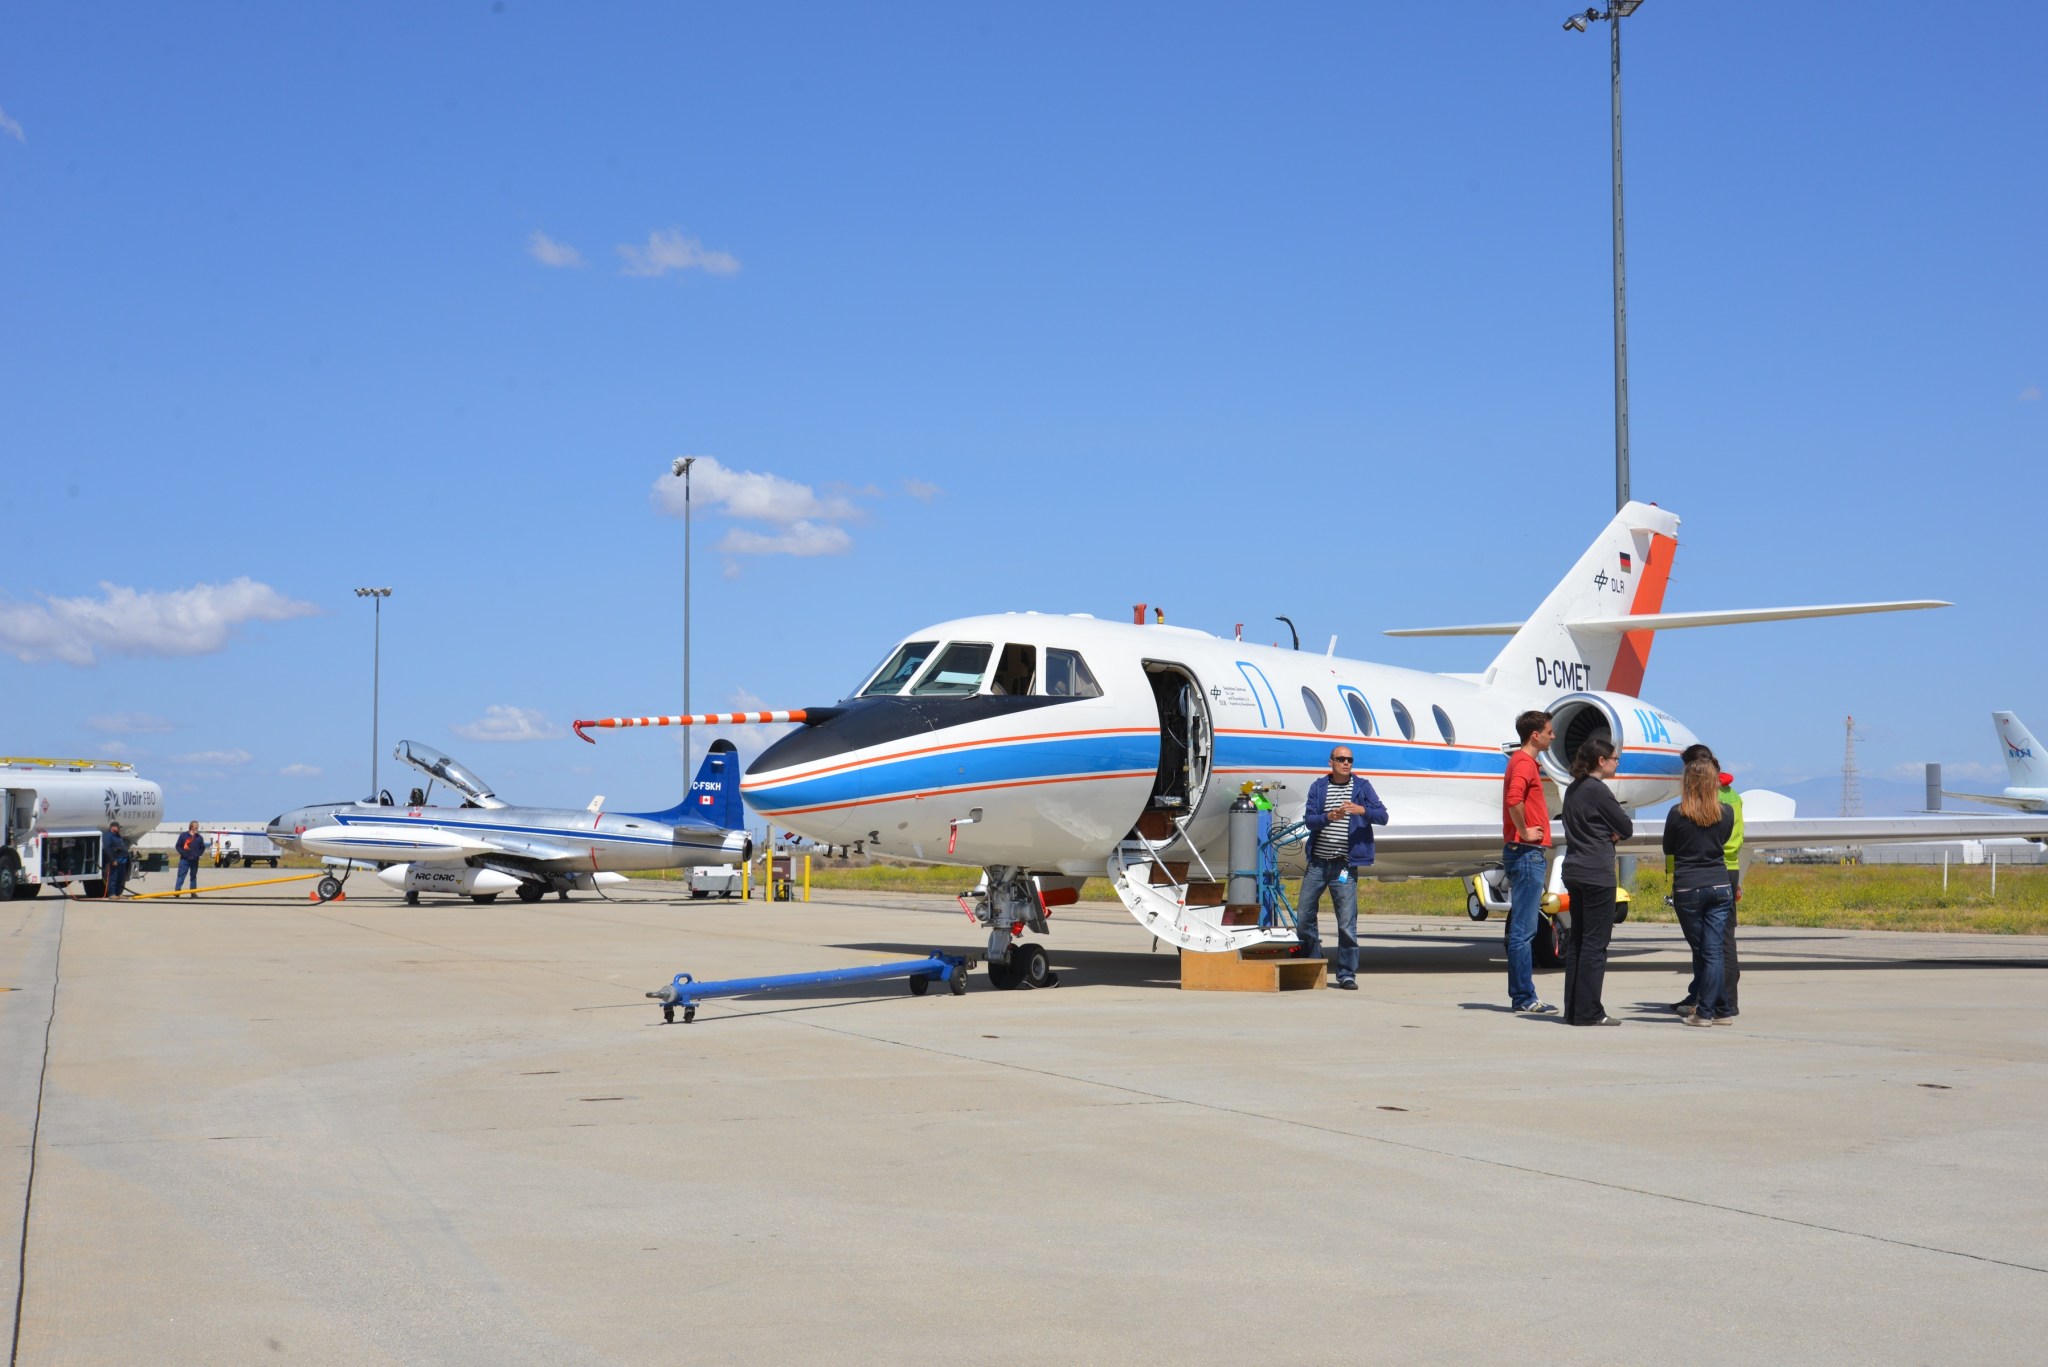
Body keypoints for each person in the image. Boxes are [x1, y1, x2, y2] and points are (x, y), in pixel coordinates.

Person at [1298, 745, 1389, 990]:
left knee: (1346, 923)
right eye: (1340, 759)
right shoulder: (1319, 787)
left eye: (1349, 759)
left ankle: (1347, 974)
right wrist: (1329, 816)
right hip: (1318, 863)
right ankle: (1313, 962)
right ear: (1331, 762)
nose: (1346, 763)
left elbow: (1383, 816)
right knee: (1303, 918)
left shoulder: (1361, 787)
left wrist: (1363, 810)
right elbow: (1309, 820)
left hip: (1344, 866)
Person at [1560, 738, 1632, 1026]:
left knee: (1578, 940)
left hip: (1575, 868)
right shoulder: (1598, 791)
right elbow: (1625, 827)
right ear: (1601, 761)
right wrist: (1610, 833)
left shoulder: (1573, 790)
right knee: (1595, 944)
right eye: (1614, 758)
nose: (1617, 763)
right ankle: (1590, 1011)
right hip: (1596, 873)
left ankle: (1574, 1009)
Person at [1668, 746, 1744, 1017]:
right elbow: (1730, 837)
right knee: (1716, 946)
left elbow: (1671, 848)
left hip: (1703, 875)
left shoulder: (1683, 810)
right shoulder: (1729, 799)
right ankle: (1714, 1002)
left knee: (1711, 948)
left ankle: (1715, 1003)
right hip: (1722, 873)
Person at [1501, 710, 1558, 1015]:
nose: (1553, 736)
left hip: (1522, 851)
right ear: (1535, 735)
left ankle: (1522, 994)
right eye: (1550, 731)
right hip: (1525, 852)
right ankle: (1524, 997)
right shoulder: (1523, 763)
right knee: (1524, 931)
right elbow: (1514, 799)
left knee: (1523, 929)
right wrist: (1524, 831)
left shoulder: (1522, 763)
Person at [174, 821, 208, 897]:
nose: (196, 827)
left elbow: (202, 847)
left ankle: (193, 892)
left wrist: (198, 854)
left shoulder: (199, 837)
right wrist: (184, 854)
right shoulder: (183, 835)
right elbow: (178, 846)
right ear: (191, 826)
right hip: (184, 860)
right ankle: (177, 891)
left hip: (194, 860)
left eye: (197, 825)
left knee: (193, 876)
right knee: (181, 875)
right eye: (195, 825)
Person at [102, 821, 131, 898]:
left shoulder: (118, 836)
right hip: (115, 860)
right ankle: (112, 894)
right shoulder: (108, 836)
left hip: (122, 860)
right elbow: (107, 848)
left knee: (121, 878)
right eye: (117, 827)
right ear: (112, 827)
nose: (119, 829)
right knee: (113, 878)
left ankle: (118, 893)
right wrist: (112, 860)